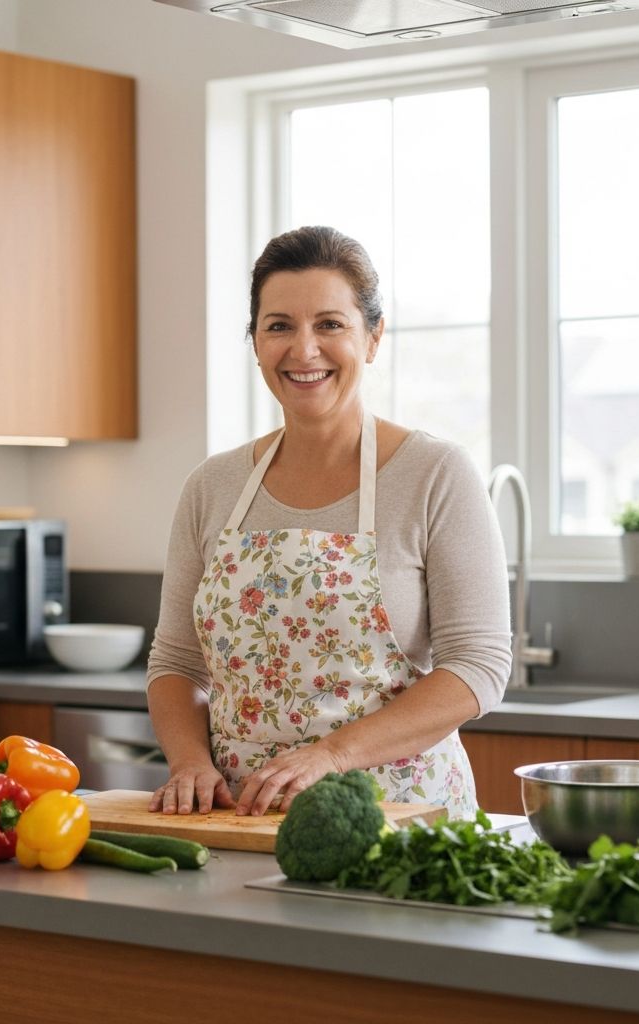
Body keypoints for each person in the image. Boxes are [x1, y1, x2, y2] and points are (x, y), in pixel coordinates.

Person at [145, 225, 512, 821]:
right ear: (257, 341)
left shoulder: (434, 473)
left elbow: (479, 664)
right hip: (242, 817)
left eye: (330, 324)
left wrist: (330, 756)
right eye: (279, 325)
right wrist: (190, 763)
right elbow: (176, 665)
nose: (304, 349)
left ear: (373, 338)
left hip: (395, 816)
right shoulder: (212, 486)